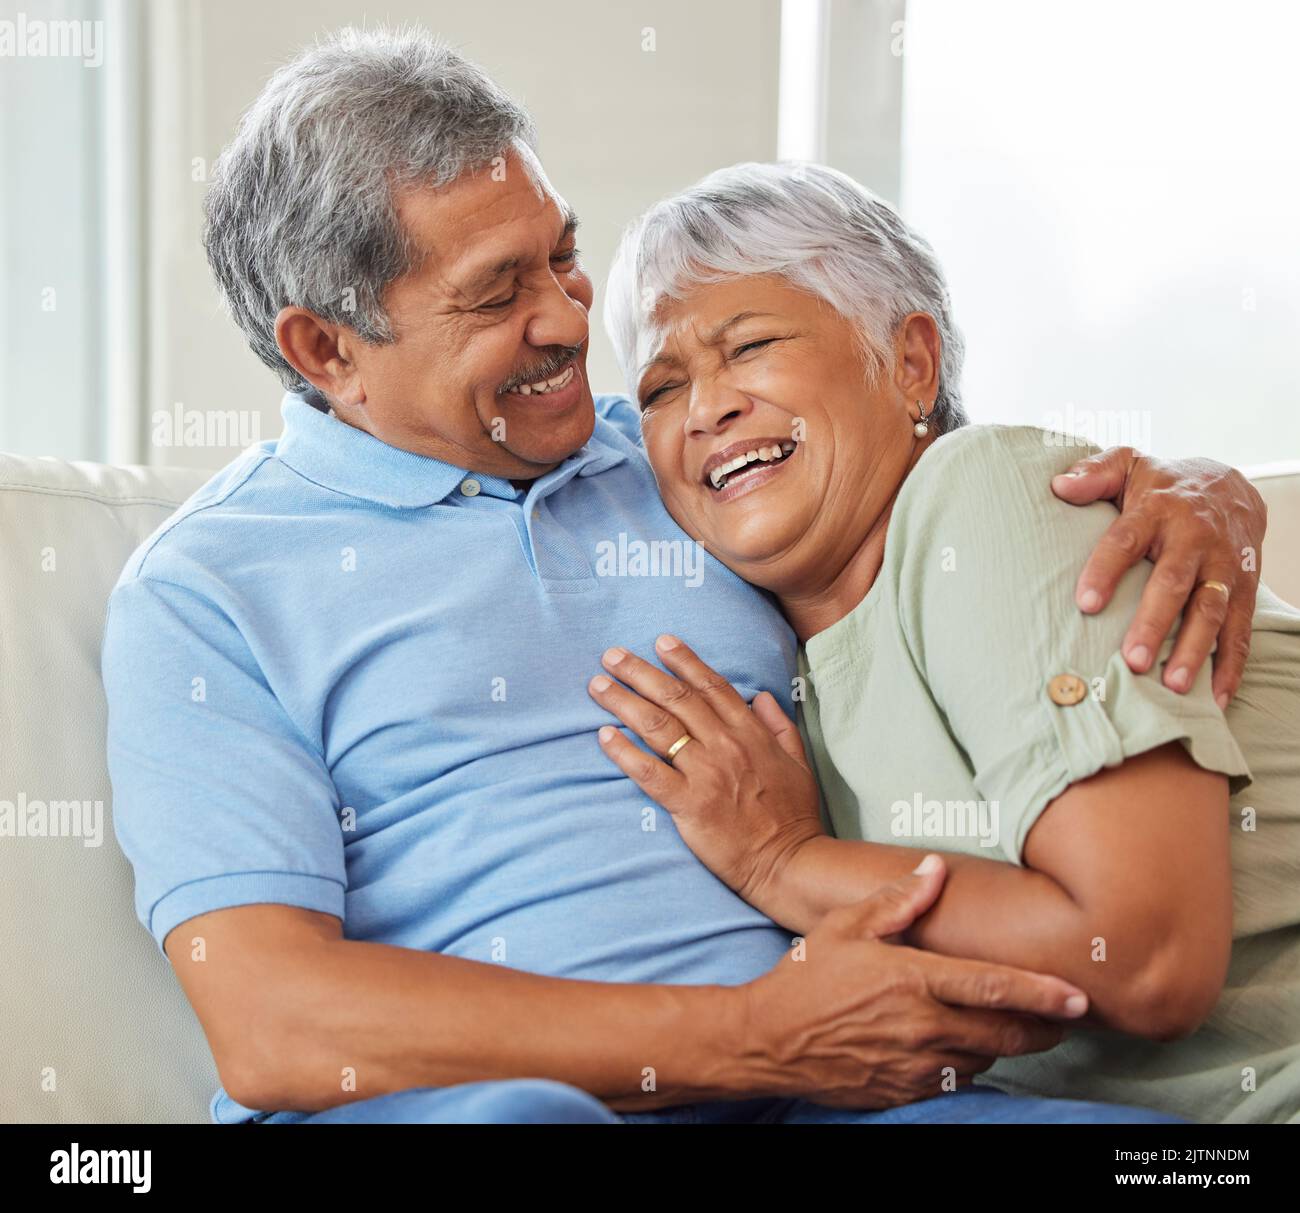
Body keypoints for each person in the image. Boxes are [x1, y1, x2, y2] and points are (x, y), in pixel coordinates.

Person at [104, 28, 1263, 1125]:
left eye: (563, 254)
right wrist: (748, 1034)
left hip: (839, 1091)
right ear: (327, 350)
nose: (568, 318)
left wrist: (1205, 487)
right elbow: (272, 1018)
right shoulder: (206, 589)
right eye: (499, 292)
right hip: (511, 1106)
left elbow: (937, 479)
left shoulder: (682, 458)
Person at [593, 160, 1300, 1123]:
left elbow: (1147, 959)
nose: (705, 407)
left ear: (912, 363)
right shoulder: (785, 655)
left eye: (749, 345)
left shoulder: (982, 496)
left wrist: (781, 863)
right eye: (663, 388)